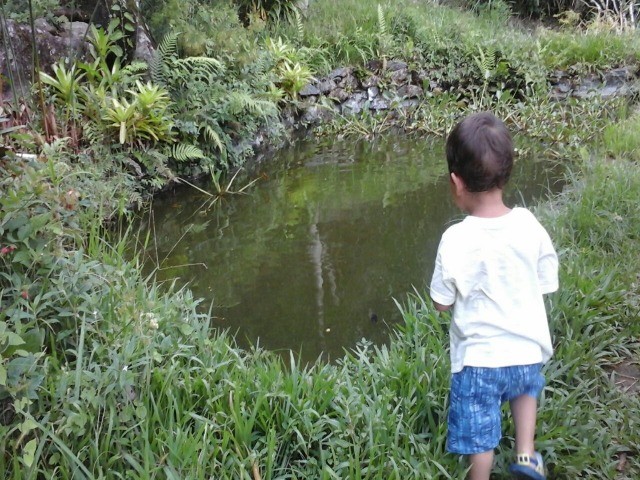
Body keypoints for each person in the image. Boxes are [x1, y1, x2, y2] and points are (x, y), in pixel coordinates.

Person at [429, 111, 558, 480]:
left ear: (456, 182)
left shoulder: (455, 238)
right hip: (526, 351)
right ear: (507, 173)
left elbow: (441, 303)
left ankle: (480, 476)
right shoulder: (529, 225)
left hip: (479, 362)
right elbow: (546, 282)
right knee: (524, 392)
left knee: (479, 437)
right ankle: (526, 453)